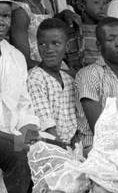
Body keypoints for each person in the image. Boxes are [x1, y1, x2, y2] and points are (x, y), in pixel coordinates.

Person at [75, 17, 118, 153]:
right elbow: (100, 130)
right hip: (98, 150)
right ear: (98, 46)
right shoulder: (90, 75)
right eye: (111, 39)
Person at [0, 0, 39, 193]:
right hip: (4, 138)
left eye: (6, 16)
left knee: (39, 148)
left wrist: (30, 131)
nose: (2, 22)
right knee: (17, 152)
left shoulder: (15, 57)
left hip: (10, 133)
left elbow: (24, 104)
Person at [27, 18, 79, 147]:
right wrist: (67, 152)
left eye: (55, 43)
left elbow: (77, 123)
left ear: (66, 46)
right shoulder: (35, 78)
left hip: (72, 147)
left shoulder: (69, 80)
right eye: (42, 44)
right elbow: (47, 128)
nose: (48, 49)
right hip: (49, 146)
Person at [64, 0, 107, 72]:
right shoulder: (73, 31)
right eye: (96, 2)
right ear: (81, 6)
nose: (103, 7)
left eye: (104, 2)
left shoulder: (107, 30)